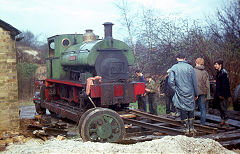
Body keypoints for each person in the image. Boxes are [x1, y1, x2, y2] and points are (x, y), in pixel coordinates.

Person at [168, 53, 198, 134]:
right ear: (185, 58)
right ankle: (192, 128)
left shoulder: (173, 68)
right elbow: (194, 82)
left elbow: (170, 82)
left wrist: (176, 89)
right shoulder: (190, 67)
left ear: (177, 58)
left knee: (182, 108)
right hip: (190, 91)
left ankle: (186, 128)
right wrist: (196, 93)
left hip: (180, 91)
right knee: (191, 108)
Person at [213, 59, 231, 127]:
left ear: (220, 65)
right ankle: (222, 120)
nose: (215, 66)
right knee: (220, 108)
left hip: (223, 94)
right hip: (218, 93)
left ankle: (226, 122)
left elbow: (225, 85)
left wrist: (222, 94)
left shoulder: (224, 73)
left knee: (224, 108)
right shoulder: (218, 72)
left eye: (216, 64)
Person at [194, 58, 210, 125]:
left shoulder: (193, 71)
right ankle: (202, 124)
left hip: (194, 92)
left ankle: (191, 123)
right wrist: (208, 95)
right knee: (203, 108)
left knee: (191, 107)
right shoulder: (205, 72)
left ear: (196, 62)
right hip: (203, 92)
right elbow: (207, 85)